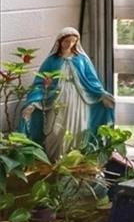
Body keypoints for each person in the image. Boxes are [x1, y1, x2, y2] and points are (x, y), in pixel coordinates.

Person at [19, 28, 115, 159]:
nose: (70, 44)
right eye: (67, 41)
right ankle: (55, 158)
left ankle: (73, 158)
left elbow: (92, 80)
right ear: (60, 42)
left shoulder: (81, 59)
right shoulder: (52, 61)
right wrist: (34, 102)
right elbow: (40, 82)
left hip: (78, 97)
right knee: (56, 130)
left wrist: (102, 94)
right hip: (58, 97)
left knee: (78, 127)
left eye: (73, 41)